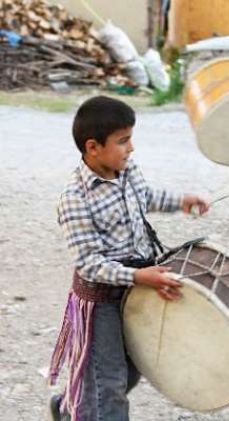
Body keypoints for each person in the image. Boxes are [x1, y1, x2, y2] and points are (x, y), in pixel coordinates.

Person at [47, 95, 209, 420]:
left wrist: (182, 201)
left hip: (136, 289)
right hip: (102, 301)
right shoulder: (75, 199)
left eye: (130, 139)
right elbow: (90, 264)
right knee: (111, 384)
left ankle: (67, 407)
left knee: (133, 369)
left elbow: (145, 196)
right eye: (123, 141)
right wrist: (139, 276)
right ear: (93, 147)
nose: (131, 148)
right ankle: (79, 409)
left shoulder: (126, 168)